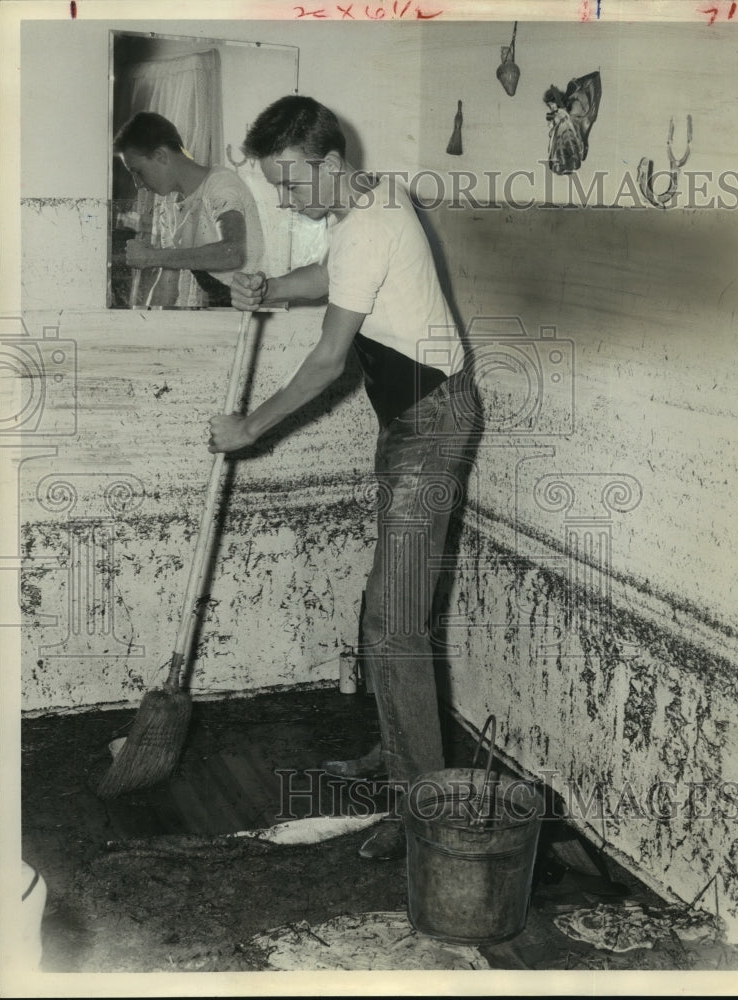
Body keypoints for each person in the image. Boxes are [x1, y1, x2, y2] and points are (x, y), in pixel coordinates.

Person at [208, 95, 478, 860]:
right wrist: (270, 286)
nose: (287, 198)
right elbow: (331, 275)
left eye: (291, 184)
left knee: (396, 624)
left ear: (329, 165)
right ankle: (401, 756)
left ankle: (420, 805)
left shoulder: (368, 223)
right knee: (385, 606)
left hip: (432, 424)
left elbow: (328, 361)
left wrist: (248, 429)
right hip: (412, 420)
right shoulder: (373, 194)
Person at [114, 111, 266, 307]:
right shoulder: (168, 206)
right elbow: (166, 287)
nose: (137, 184)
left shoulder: (221, 184)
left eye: (138, 172)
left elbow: (232, 253)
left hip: (256, 313)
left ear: (160, 156)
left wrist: (152, 257)